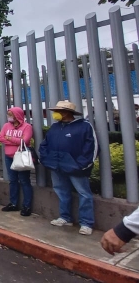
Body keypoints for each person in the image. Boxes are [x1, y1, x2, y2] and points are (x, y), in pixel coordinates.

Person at [40, 100, 97, 235]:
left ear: (67, 112)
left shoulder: (84, 126)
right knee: (61, 191)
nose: (55, 113)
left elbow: (92, 147)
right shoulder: (54, 127)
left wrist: (81, 165)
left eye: (58, 111)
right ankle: (65, 217)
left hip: (76, 168)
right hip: (57, 167)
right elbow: (45, 144)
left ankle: (86, 223)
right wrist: (47, 159)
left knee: (84, 194)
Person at [0, 107, 34, 216]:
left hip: (21, 157)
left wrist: (9, 138)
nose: (9, 117)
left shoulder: (27, 127)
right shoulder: (6, 125)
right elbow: (0, 138)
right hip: (9, 157)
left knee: (24, 181)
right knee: (12, 180)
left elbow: (25, 141)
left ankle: (26, 206)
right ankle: (13, 203)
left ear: (17, 115)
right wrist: (15, 141)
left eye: (10, 114)